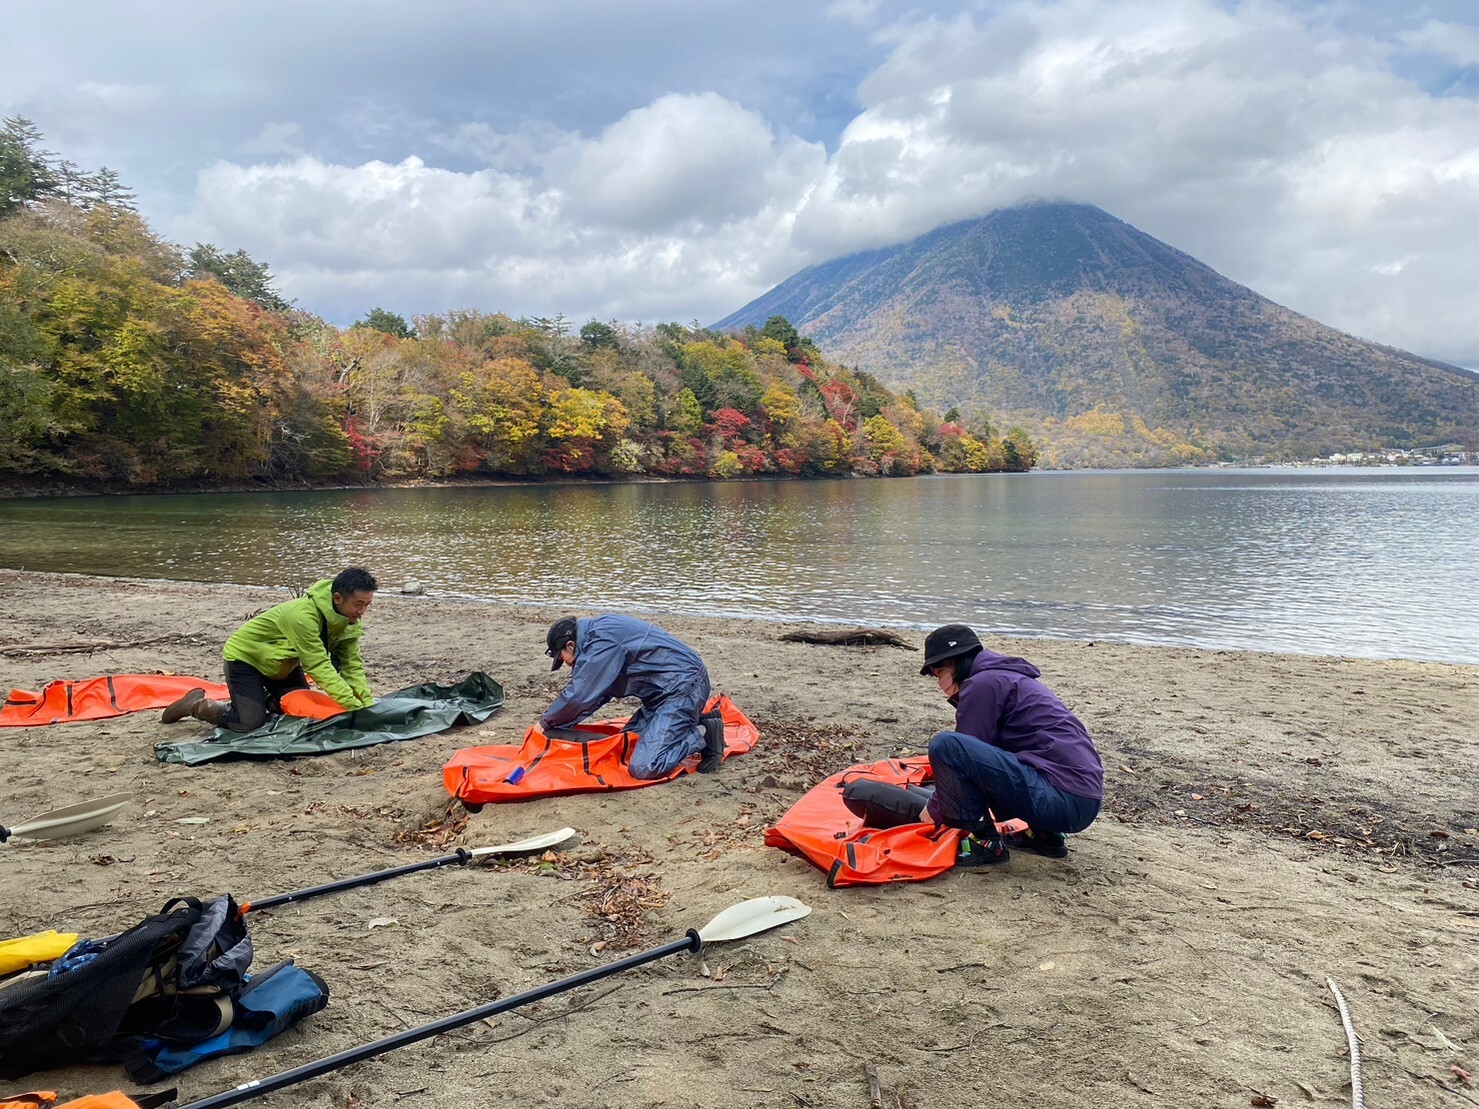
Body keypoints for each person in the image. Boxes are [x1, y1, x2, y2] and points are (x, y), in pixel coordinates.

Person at [917, 624, 1103, 867]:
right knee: (1010, 753)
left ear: (954, 663)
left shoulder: (983, 684)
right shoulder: (1006, 679)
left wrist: (935, 807)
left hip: (1060, 798)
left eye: (938, 673)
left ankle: (986, 842)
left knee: (947, 745)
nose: (939, 683)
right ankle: (1043, 835)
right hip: (1085, 800)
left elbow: (966, 751)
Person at [161, 567, 378, 732]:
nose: (362, 611)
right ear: (337, 598)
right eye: (359, 604)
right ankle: (194, 705)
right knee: (249, 723)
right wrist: (352, 706)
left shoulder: (349, 620)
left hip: (282, 664)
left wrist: (366, 704)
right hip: (246, 660)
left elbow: (352, 666)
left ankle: (263, 698)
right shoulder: (303, 616)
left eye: (367, 605)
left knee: (299, 708)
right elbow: (318, 665)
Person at [541, 614, 725, 779]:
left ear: (571, 645)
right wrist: (562, 723)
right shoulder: (596, 635)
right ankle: (692, 720)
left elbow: (580, 695)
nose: (566, 664)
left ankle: (704, 731)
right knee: (626, 746)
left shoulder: (601, 642)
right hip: (660, 697)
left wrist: (546, 722)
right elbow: (598, 694)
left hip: (683, 689)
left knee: (644, 766)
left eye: (562, 658)